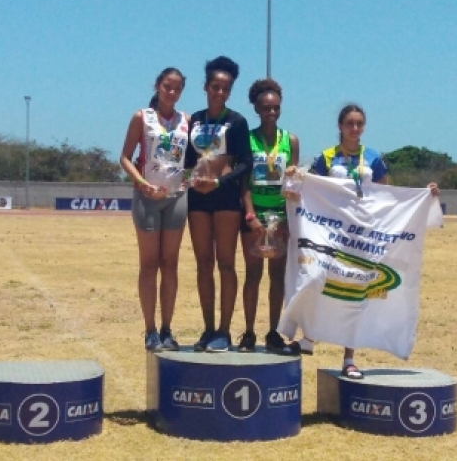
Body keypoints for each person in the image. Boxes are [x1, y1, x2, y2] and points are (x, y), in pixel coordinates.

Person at [289, 103, 439, 379]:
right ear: (340, 126)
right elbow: (312, 187)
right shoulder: (325, 157)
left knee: (356, 292)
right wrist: (294, 179)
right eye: (350, 123)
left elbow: (387, 194)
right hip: (331, 231)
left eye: (359, 124)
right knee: (318, 279)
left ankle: (349, 358)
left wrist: (423, 194)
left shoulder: (373, 157)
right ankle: (308, 337)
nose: (354, 129)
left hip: (363, 234)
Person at [185, 56, 253, 353]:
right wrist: (190, 179)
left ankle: (224, 331)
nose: (220, 93)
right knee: (203, 264)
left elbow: (246, 164)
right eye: (215, 87)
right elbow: (187, 160)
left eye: (226, 88)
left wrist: (220, 182)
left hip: (226, 199)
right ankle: (208, 328)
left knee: (226, 263)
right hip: (197, 199)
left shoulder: (237, 122)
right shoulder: (195, 120)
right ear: (205, 87)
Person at [119, 67, 189, 352]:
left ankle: (167, 329)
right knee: (149, 264)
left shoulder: (187, 121)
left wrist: (194, 177)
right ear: (157, 86)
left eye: (177, 89)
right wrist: (142, 183)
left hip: (176, 198)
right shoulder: (142, 117)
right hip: (146, 198)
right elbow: (124, 157)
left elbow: (196, 158)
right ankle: (150, 330)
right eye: (167, 86)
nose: (171, 92)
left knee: (170, 265)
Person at [238, 78, 300, 354]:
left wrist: (288, 218)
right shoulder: (247, 139)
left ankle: (273, 332)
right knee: (253, 275)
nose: (271, 112)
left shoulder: (291, 141)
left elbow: (294, 183)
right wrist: (250, 214)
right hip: (255, 217)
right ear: (256, 108)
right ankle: (249, 333)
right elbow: (244, 182)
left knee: (277, 277)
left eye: (275, 107)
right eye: (266, 108)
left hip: (281, 216)